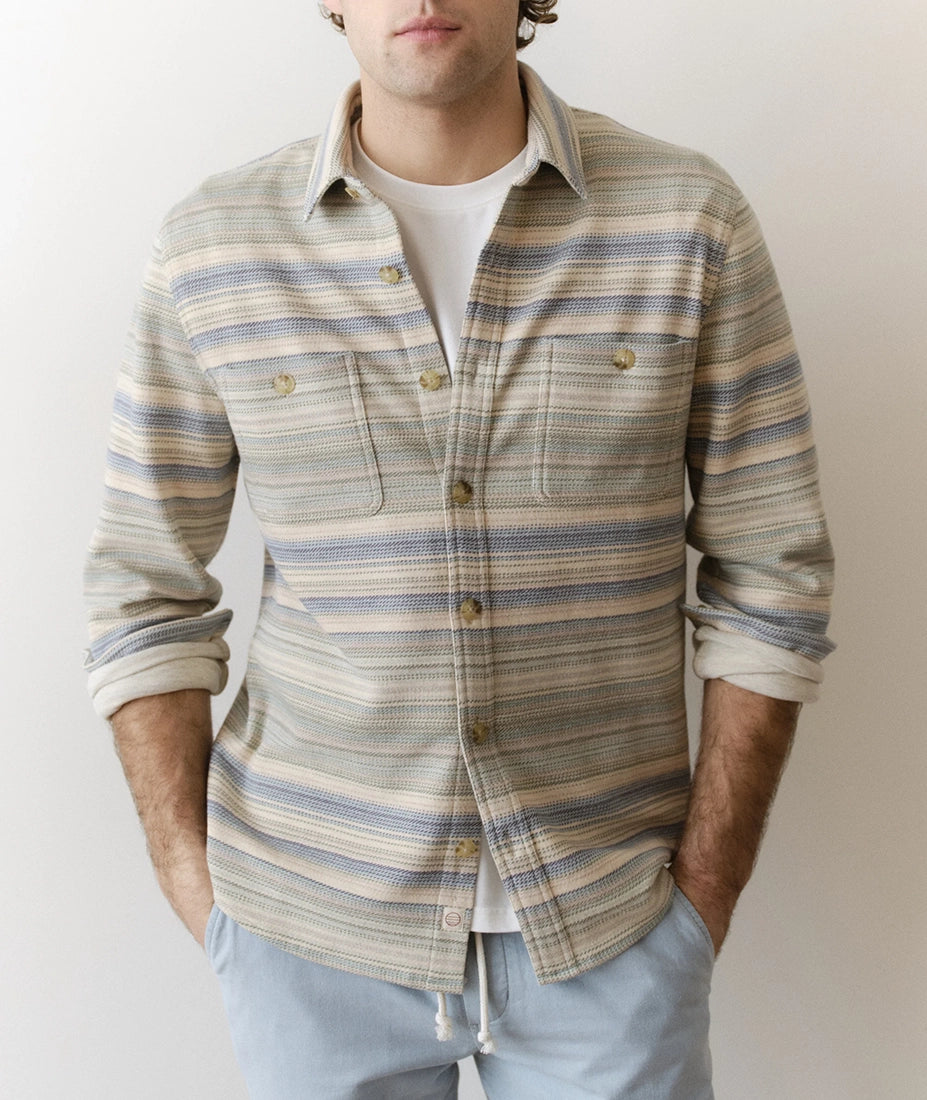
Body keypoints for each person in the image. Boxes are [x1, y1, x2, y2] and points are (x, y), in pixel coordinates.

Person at [84, 2, 834, 1096]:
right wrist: (198, 886)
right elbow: (142, 586)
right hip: (308, 927)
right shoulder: (217, 245)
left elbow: (773, 574)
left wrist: (704, 893)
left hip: (610, 921)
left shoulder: (689, 221)